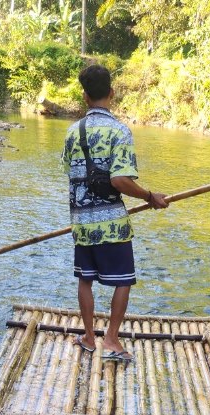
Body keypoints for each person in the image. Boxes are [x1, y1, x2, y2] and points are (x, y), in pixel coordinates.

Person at [62, 65, 169, 361]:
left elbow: (71, 173)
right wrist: (149, 197)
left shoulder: (72, 133)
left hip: (81, 222)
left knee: (85, 279)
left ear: (85, 96)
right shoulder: (119, 131)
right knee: (123, 280)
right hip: (111, 224)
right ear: (112, 93)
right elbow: (119, 180)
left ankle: (88, 337)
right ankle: (110, 340)